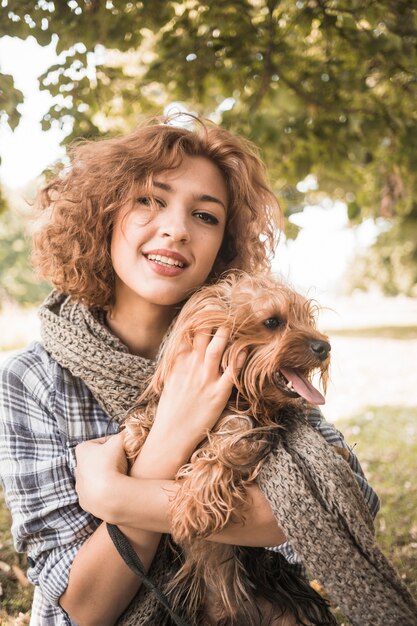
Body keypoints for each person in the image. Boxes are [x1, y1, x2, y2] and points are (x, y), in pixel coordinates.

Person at [0, 115, 379, 626]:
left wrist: (118, 494)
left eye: (205, 216)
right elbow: (83, 608)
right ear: (103, 215)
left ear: (223, 245)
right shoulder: (32, 380)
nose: (177, 228)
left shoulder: (250, 349)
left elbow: (341, 502)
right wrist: (169, 438)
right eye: (149, 200)